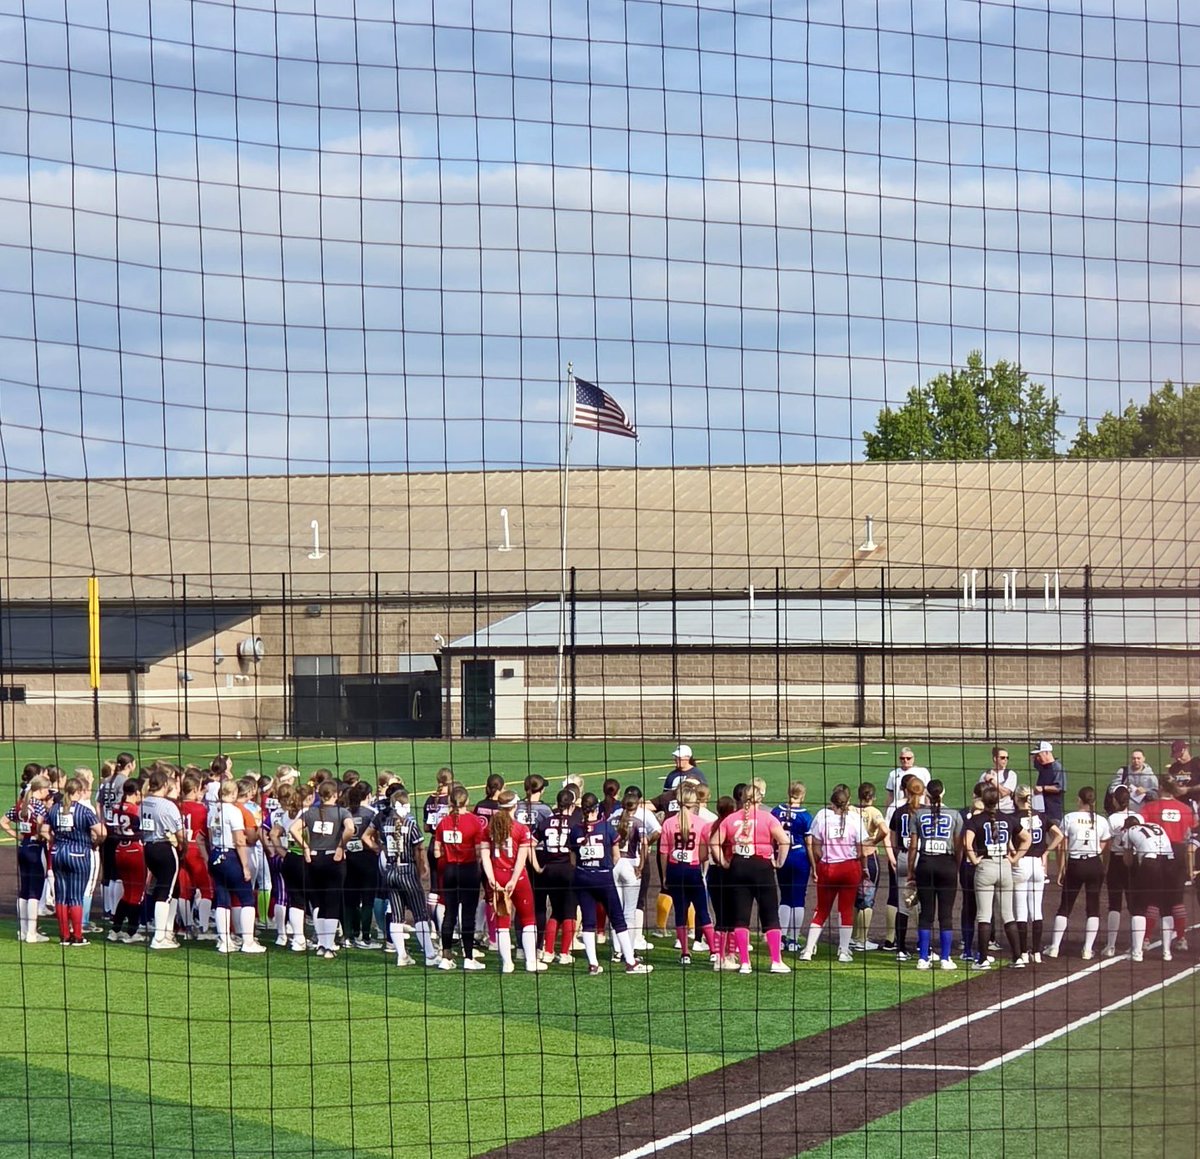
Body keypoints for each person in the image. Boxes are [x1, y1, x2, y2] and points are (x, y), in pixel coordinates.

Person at [569, 792, 652, 975]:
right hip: (603, 877)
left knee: (588, 922)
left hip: (582, 877)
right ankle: (630, 962)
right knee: (618, 919)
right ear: (596, 808)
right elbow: (616, 856)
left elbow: (573, 860)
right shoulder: (605, 828)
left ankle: (593, 964)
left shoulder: (575, 830)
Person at [365, 784, 438, 967]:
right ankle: (430, 955)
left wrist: (379, 850)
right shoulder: (410, 824)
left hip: (390, 872)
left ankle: (402, 955)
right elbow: (419, 849)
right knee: (420, 914)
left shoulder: (386, 824)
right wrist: (422, 869)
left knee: (396, 915)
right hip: (407, 872)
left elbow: (378, 842)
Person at [480, 790, 548, 974]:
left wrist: (491, 878)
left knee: (502, 922)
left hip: (497, 876)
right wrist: (514, 879)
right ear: (515, 806)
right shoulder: (521, 828)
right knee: (528, 919)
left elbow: (485, 856)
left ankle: (507, 963)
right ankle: (531, 961)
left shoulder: (489, 829)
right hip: (517, 878)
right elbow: (521, 859)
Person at [799, 784, 868, 964]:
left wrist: (820, 863)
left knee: (822, 909)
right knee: (846, 910)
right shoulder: (855, 819)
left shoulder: (823, 818)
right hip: (849, 868)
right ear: (848, 802)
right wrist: (862, 867)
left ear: (832, 804)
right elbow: (862, 850)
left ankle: (808, 950)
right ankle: (843, 951)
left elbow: (816, 848)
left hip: (828, 867)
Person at [962, 784, 1028, 969]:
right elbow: (1027, 838)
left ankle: (982, 960)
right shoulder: (1008, 818)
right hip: (1004, 867)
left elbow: (967, 843)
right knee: (1008, 914)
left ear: (982, 800)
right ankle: (1018, 957)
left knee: (984, 915)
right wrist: (1014, 858)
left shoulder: (975, 820)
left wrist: (974, 860)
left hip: (986, 867)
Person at [1044, 787, 1111, 960]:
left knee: (1065, 906)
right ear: (1093, 801)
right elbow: (1104, 845)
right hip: (1094, 864)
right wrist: (1100, 863)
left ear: (1079, 800)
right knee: (1093, 907)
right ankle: (1087, 950)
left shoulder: (1069, 818)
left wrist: (1061, 868)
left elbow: (1062, 846)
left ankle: (1054, 947)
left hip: (1075, 864)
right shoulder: (1101, 820)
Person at [290, 780, 355, 959]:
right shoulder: (342, 812)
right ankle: (328, 946)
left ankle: (321, 944)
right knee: (332, 902)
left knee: (318, 903)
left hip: (313, 859)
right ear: (336, 795)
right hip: (333, 858)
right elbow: (350, 829)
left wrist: (305, 847)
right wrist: (341, 846)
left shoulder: (310, 812)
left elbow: (293, 829)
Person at [907, 779, 963, 970]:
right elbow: (959, 846)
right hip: (947, 865)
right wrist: (956, 866)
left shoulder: (918, 814)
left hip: (925, 864)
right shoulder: (955, 814)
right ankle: (945, 958)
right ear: (943, 792)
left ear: (927, 794)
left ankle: (923, 958)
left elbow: (913, 846)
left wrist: (911, 871)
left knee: (926, 914)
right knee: (946, 914)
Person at [42, 776, 104, 946]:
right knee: (76, 897)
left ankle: (64, 936)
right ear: (78, 791)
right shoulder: (84, 811)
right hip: (79, 855)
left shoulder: (54, 809)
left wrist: (54, 841)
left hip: (58, 853)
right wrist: (95, 843)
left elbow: (44, 830)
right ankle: (77, 936)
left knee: (61, 897)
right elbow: (102, 832)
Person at [658, 783, 715, 965]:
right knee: (702, 910)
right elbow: (705, 853)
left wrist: (665, 876)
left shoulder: (668, 823)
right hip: (693, 870)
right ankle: (713, 951)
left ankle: (685, 953)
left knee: (680, 912)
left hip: (675, 870)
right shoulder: (701, 823)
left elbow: (663, 853)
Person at [433, 785, 487, 971]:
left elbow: (437, 851)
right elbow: (479, 852)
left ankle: (446, 957)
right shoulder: (474, 822)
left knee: (450, 913)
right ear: (467, 801)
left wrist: (448, 861)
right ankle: (469, 957)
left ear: (450, 801)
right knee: (468, 915)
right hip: (468, 870)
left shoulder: (444, 822)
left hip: (449, 871)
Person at [208, 780, 265, 954]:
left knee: (222, 899)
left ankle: (225, 940)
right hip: (231, 855)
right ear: (233, 794)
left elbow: (210, 836)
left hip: (216, 854)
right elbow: (240, 841)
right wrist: (245, 866)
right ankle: (248, 941)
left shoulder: (213, 810)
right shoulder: (233, 811)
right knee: (247, 898)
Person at [1140, 777, 1195, 953]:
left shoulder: (1150, 808)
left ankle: (1146, 939)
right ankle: (1181, 939)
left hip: (1157, 853)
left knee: (1153, 898)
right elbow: (1192, 827)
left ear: (1161, 787)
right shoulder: (1185, 809)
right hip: (1178, 855)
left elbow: (1141, 827)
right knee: (1177, 899)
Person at [1011, 785, 1062, 964]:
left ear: (1016, 798)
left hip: (1021, 863)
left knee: (1020, 912)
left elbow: (1010, 841)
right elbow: (1059, 835)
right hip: (1038, 865)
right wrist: (1046, 852)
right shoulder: (1041, 816)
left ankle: (1024, 953)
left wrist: (1013, 856)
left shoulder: (1014, 818)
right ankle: (1037, 952)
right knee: (1036, 911)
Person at [139, 769, 184, 951]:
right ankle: (159, 937)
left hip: (148, 848)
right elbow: (180, 834)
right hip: (165, 849)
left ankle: (166, 932)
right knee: (165, 892)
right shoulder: (168, 805)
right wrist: (183, 847)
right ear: (165, 785)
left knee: (169, 890)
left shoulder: (143, 803)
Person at [6, 773, 51, 942]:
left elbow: (3, 821)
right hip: (35, 848)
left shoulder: (20, 804)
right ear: (41, 789)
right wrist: (43, 836)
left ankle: (23, 931)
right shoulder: (39, 806)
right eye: (47, 788)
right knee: (34, 891)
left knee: (24, 890)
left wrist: (18, 836)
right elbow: (40, 825)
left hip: (23, 847)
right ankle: (32, 933)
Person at [1122, 815, 1174, 962]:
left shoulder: (1129, 831)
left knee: (1139, 907)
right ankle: (1167, 952)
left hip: (1150, 863)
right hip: (1170, 863)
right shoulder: (1155, 825)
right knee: (1166, 908)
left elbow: (1128, 861)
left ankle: (1137, 952)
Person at [535, 788, 578, 964]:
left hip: (550, 870)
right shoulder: (575, 823)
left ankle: (548, 951)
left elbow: (530, 843)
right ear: (572, 805)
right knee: (570, 913)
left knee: (556, 911)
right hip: (568, 870)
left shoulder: (546, 822)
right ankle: (565, 953)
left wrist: (537, 866)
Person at [849, 782, 891, 952]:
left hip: (852, 856)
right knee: (867, 898)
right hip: (870, 857)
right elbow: (885, 830)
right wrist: (874, 841)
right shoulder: (874, 812)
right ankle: (862, 939)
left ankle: (852, 937)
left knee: (854, 897)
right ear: (873, 797)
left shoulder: (850, 810)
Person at [772, 781, 813, 953]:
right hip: (799, 857)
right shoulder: (805, 816)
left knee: (785, 896)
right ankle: (793, 940)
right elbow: (809, 844)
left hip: (781, 856)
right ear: (802, 796)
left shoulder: (776, 811)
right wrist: (814, 865)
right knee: (798, 898)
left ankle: (781, 938)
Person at [888, 774, 925, 961]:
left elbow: (892, 839)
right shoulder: (925, 812)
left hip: (903, 857)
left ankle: (901, 949)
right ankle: (924, 946)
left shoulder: (898, 811)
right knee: (924, 903)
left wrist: (899, 856)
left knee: (903, 905)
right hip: (923, 857)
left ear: (906, 791)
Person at [515, 774, 553, 952]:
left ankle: (520, 947)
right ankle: (537, 946)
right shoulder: (545, 810)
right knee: (539, 903)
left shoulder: (517, 807)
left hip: (518, 857)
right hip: (539, 856)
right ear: (542, 790)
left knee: (520, 902)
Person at [177, 773, 215, 940]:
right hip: (196, 849)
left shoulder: (177, 805)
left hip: (180, 847)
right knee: (206, 889)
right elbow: (204, 833)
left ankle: (187, 926)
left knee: (184, 889)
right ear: (194, 790)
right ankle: (203, 928)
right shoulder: (201, 809)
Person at [1100, 785, 1137, 958]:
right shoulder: (1138, 816)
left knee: (1114, 904)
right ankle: (1136, 946)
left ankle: (1111, 945)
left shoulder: (1112, 819)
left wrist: (1105, 866)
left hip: (1116, 861)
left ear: (1115, 800)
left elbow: (1107, 846)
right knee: (1134, 905)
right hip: (1133, 863)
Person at [342, 782, 379, 949]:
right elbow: (376, 835)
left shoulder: (344, 812)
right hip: (367, 857)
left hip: (348, 858)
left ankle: (349, 935)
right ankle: (365, 937)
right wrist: (377, 848)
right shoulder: (372, 812)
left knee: (350, 898)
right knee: (368, 898)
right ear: (368, 795)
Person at [109, 780, 147, 943]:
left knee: (128, 893)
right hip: (134, 850)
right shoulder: (136, 809)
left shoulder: (116, 807)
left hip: (119, 850)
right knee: (137, 894)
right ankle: (132, 932)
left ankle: (115, 929)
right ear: (137, 792)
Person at [609, 790, 645, 955]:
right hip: (630, 864)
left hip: (614, 865)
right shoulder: (638, 822)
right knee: (629, 912)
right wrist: (641, 866)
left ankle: (617, 950)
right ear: (636, 807)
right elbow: (644, 845)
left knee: (615, 909)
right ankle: (628, 950)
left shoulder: (610, 821)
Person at [1031, 742, 1066, 827]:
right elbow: (1033, 762)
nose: (1037, 758)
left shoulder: (1057, 768)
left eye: (1039, 755)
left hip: (1053, 813)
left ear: (1047, 752)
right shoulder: (1043, 766)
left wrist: (1043, 788)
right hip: (1041, 811)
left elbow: (1060, 787)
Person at [981, 746, 1019, 813]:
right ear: (995, 759)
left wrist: (992, 781)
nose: (1005, 760)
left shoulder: (1010, 774)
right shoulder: (985, 775)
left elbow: (1005, 793)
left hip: (1007, 811)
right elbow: (979, 794)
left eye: (1007, 758)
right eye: (1002, 758)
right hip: (989, 811)